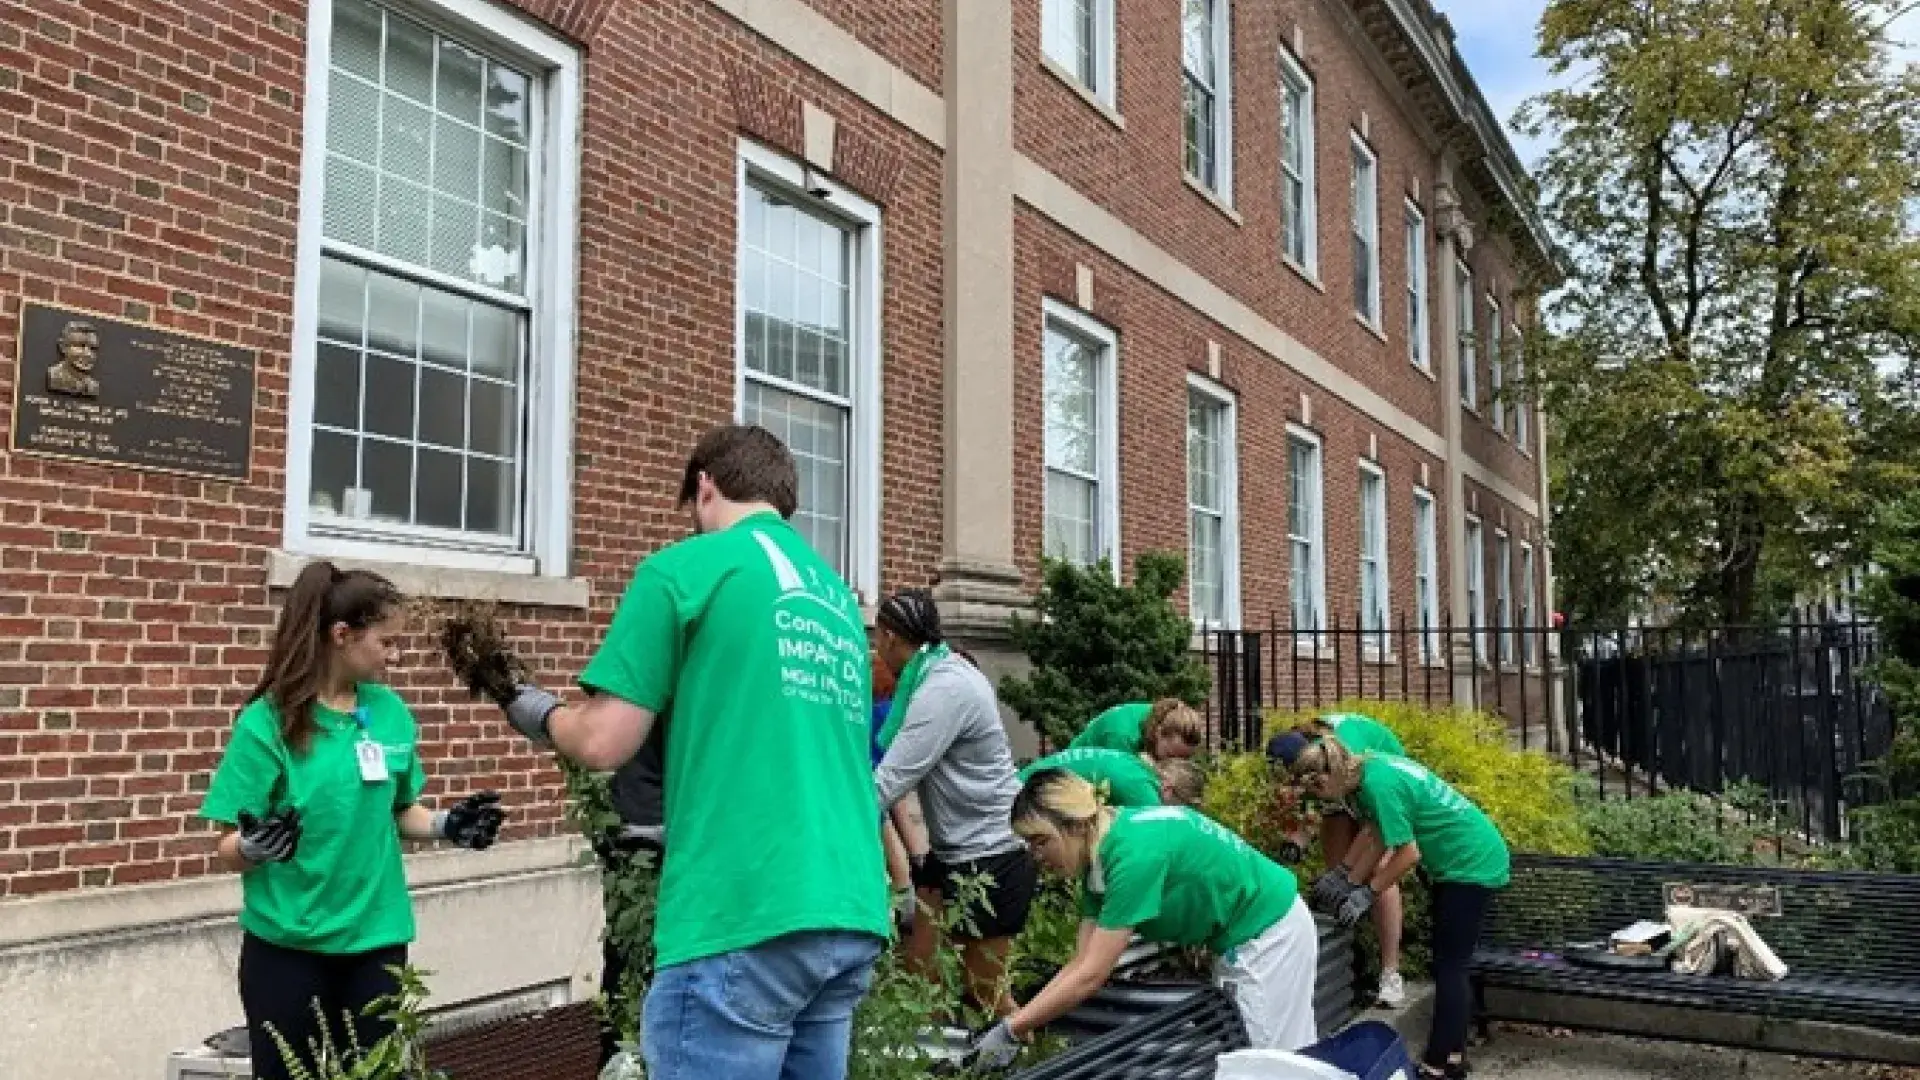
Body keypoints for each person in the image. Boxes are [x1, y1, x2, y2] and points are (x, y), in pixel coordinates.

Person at [487, 424, 889, 1080]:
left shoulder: (686, 569)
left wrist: (535, 711)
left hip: (743, 910)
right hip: (846, 908)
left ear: (705, 487)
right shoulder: (836, 599)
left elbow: (602, 740)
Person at [201, 562, 505, 1080]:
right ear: (342, 636)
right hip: (287, 948)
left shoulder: (389, 713)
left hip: (375, 941)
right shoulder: (267, 724)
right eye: (386, 643)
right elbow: (226, 844)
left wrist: (446, 827)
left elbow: (399, 809)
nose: (396, 654)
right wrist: (253, 847)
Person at [971, 770, 1321, 1067]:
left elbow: (1092, 975)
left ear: (1074, 824)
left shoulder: (1131, 858)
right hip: (1256, 930)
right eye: (1028, 845)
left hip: (1267, 936)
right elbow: (1081, 963)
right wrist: (1022, 1020)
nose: (1035, 856)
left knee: (1266, 1064)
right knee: (1280, 1057)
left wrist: (1012, 1030)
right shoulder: (1102, 851)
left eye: (1040, 841)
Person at [1289, 740, 1510, 1080]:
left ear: (1324, 778)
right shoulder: (1370, 771)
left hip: (1469, 863)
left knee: (1450, 967)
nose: (1320, 799)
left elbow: (1408, 853)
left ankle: (1438, 1067)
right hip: (1463, 858)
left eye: (1317, 790)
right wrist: (1348, 879)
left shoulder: (1378, 786)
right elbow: (1379, 834)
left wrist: (1367, 893)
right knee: (1451, 962)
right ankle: (1453, 1057)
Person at [872, 589, 1037, 1018]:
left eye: (876, 641)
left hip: (991, 854)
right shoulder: (933, 676)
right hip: (952, 853)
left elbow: (888, 784)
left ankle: (1035, 1061)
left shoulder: (942, 690)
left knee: (986, 996)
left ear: (890, 637)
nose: (876, 650)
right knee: (921, 982)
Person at [1269, 711, 1411, 1006]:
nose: (1300, 788)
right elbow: (1312, 815)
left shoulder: (1345, 750)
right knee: (1338, 876)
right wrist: (1296, 845)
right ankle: (1349, 962)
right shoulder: (1305, 759)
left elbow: (1373, 835)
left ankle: (1390, 973)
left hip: (1378, 788)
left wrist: (1361, 884)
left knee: (1378, 870)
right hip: (1340, 788)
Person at [1017, 746, 1206, 808]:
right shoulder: (1141, 788)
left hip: (1022, 784)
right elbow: (1159, 839)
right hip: (1025, 796)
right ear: (1168, 789)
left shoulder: (1134, 767)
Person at [1067, 698, 1204, 761]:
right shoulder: (1123, 737)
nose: (1175, 763)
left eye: (1185, 758)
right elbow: (1123, 790)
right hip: (1074, 770)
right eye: (1170, 756)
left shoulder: (1169, 715)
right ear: (1158, 732)